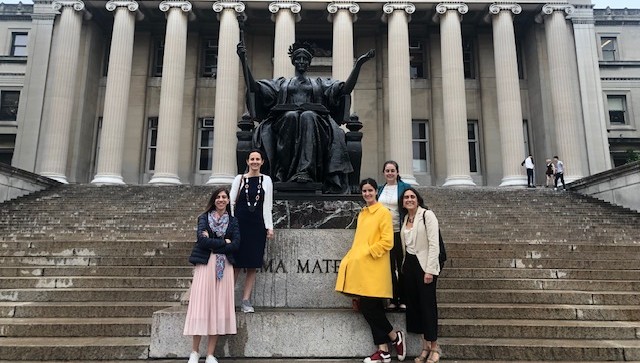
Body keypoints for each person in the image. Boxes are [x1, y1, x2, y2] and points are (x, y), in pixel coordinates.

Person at [237, 41, 375, 193]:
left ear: (309, 63)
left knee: (307, 116)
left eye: (304, 59)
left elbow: (345, 89)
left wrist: (358, 65)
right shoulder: (282, 83)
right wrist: (244, 61)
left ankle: (306, 172)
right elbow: (255, 88)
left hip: (317, 124)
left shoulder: (319, 83)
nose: (301, 61)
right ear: (293, 61)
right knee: (291, 116)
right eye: (298, 58)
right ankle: (283, 172)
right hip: (284, 121)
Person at [336, 178, 406, 363]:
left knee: (369, 308)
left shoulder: (383, 212)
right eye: (364, 191)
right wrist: (353, 257)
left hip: (374, 267)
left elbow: (387, 241)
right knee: (370, 308)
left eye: (370, 190)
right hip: (362, 268)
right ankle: (384, 349)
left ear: (376, 191)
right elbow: (359, 240)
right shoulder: (363, 214)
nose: (367, 194)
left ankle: (393, 337)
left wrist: (367, 253)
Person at [184, 188, 241, 363]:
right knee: (200, 306)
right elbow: (202, 241)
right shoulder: (203, 218)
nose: (221, 200)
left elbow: (236, 245)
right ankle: (194, 352)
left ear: (228, 201)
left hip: (224, 268)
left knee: (218, 308)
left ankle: (210, 354)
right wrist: (224, 241)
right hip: (205, 265)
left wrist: (214, 243)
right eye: (218, 197)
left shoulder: (233, 221)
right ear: (213, 200)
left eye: (224, 197)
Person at [399, 188, 442, 363]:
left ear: (418, 199)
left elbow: (434, 243)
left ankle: (435, 347)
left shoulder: (427, 215)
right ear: (403, 201)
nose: (409, 199)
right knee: (416, 307)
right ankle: (424, 347)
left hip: (424, 265)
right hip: (409, 265)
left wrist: (430, 270)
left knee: (428, 307)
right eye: (406, 197)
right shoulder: (405, 219)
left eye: (412, 197)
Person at [230, 149, 274, 313]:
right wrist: (231, 225)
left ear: (262, 162)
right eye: (252, 159)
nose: (255, 162)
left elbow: (267, 205)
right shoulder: (239, 179)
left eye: (258, 159)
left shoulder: (267, 180)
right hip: (240, 225)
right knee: (235, 263)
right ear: (247, 161)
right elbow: (231, 202)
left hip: (257, 226)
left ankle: (246, 300)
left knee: (252, 265)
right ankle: (228, 298)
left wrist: (269, 226)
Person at [376, 161, 410, 311]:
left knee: (401, 267)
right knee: (388, 268)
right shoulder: (380, 189)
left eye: (392, 170)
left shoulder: (404, 188)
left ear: (397, 172)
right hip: (384, 235)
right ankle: (392, 299)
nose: (390, 173)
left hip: (398, 232)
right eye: (387, 171)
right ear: (384, 173)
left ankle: (403, 299)